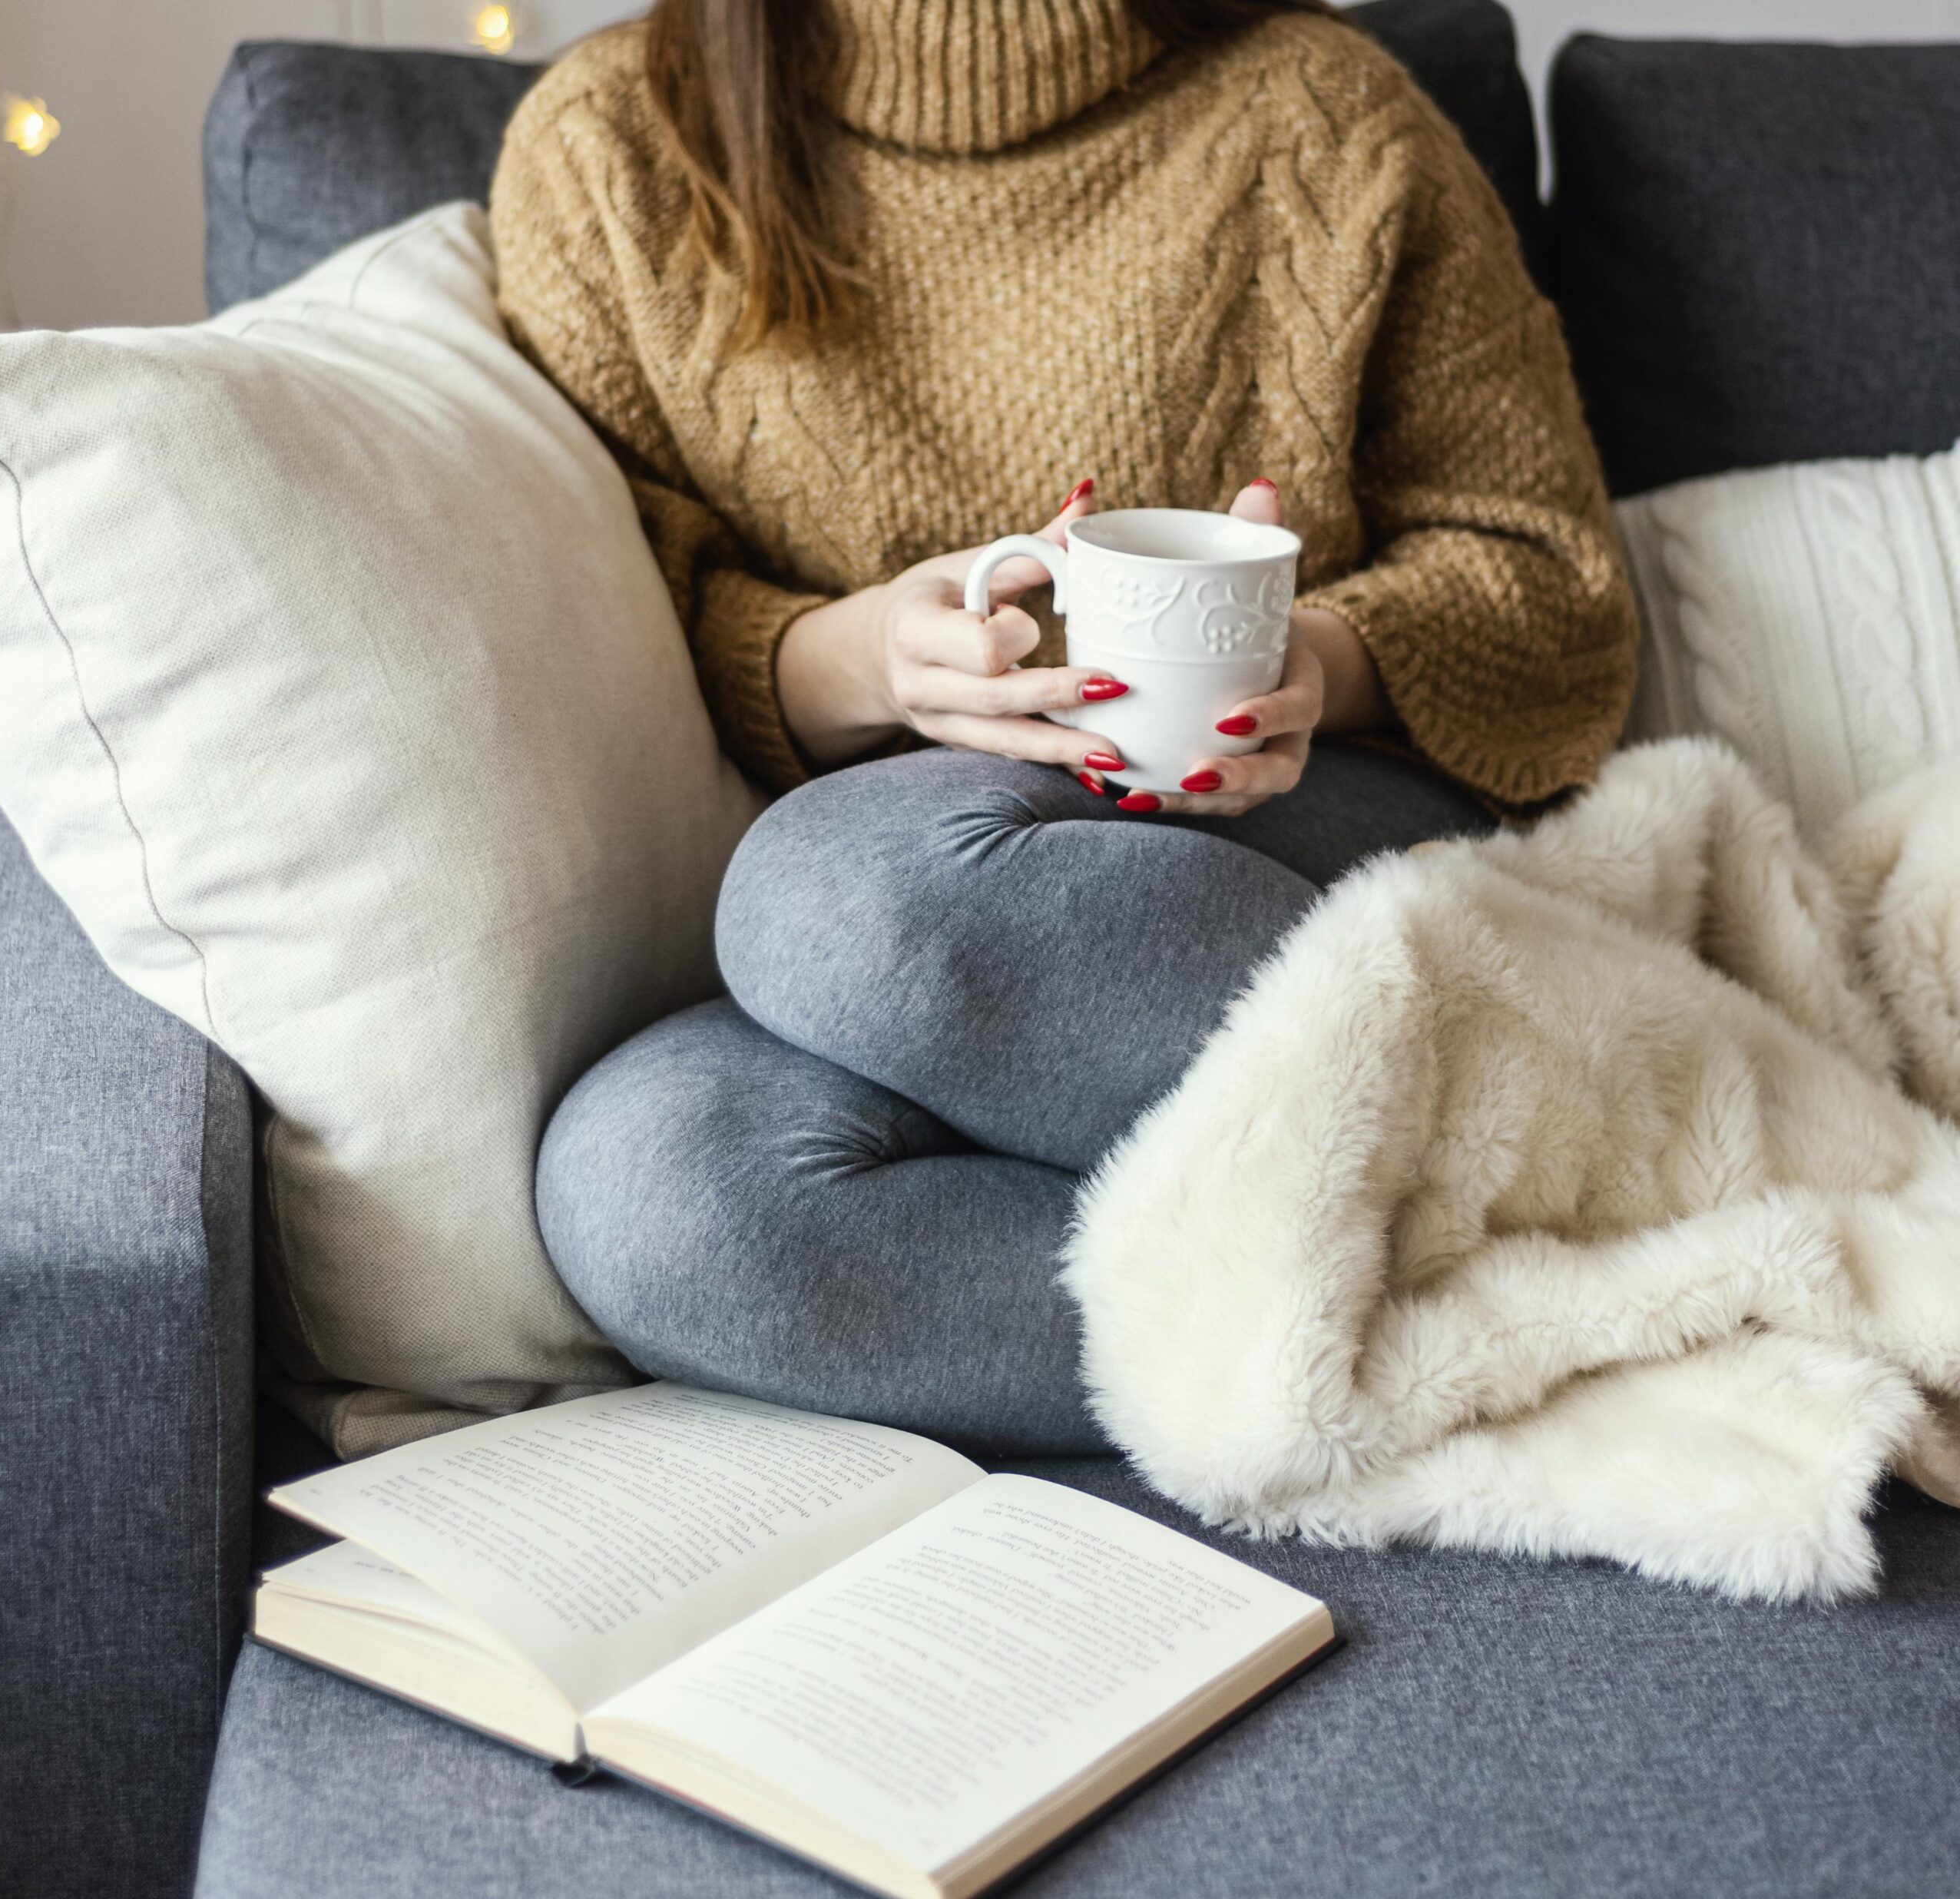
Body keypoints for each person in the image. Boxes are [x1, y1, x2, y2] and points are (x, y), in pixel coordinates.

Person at [488, 0, 1639, 1453]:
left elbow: (1553, 584)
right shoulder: (616, 148)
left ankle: (1575, 1168)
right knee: (646, 1189)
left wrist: (1312, 663)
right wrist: (869, 663)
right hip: (900, 921)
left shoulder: (1325, 112)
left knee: (834, 892)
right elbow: (637, 608)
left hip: (1279, 827)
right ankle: (1480, 1325)